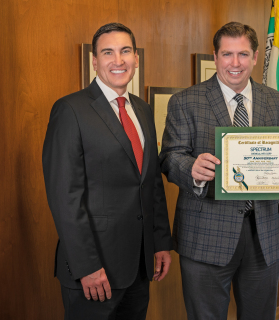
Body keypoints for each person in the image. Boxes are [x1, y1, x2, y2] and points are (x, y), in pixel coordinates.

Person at [159, 21, 279, 320]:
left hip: (265, 234)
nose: (235, 63)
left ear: (255, 57)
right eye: (227, 54)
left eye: (243, 54)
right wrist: (192, 168)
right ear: (215, 57)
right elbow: (170, 157)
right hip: (205, 235)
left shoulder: (277, 103)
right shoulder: (185, 101)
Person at [42, 22, 172, 320]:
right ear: (94, 61)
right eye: (108, 52)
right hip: (93, 269)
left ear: (136, 58)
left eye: (126, 51)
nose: (118, 60)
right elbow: (65, 198)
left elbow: (150, 183)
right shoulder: (70, 110)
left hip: (139, 266)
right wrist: (86, 266)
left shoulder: (142, 109)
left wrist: (161, 242)